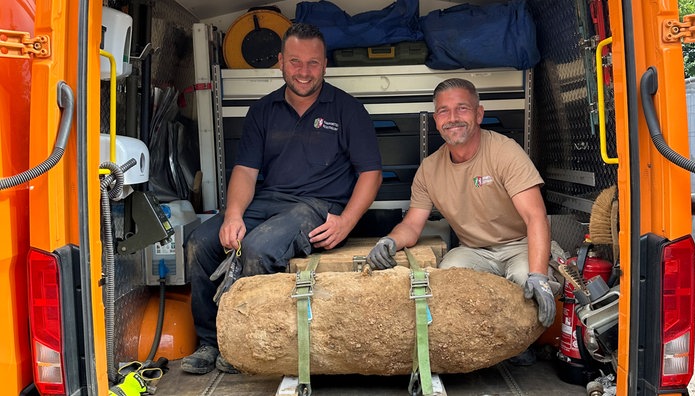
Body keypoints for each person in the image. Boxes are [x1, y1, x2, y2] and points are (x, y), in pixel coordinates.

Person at [181, 23, 383, 375]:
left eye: (313, 63)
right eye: (295, 62)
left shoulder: (348, 110)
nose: (304, 72)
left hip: (321, 207)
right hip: (269, 202)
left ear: (325, 65)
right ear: (280, 63)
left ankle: (245, 345)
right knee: (199, 242)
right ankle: (211, 341)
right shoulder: (262, 111)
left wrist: (347, 222)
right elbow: (245, 171)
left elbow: (371, 174)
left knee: (258, 248)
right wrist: (232, 215)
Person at [366, 78, 555, 333]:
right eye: (444, 111)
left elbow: (536, 217)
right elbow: (412, 225)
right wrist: (388, 241)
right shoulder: (429, 169)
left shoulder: (505, 152)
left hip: (519, 245)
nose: (452, 117)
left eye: (462, 108)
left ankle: (523, 347)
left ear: (479, 114)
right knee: (448, 277)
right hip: (475, 251)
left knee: (526, 282)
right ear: (436, 120)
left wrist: (539, 275)